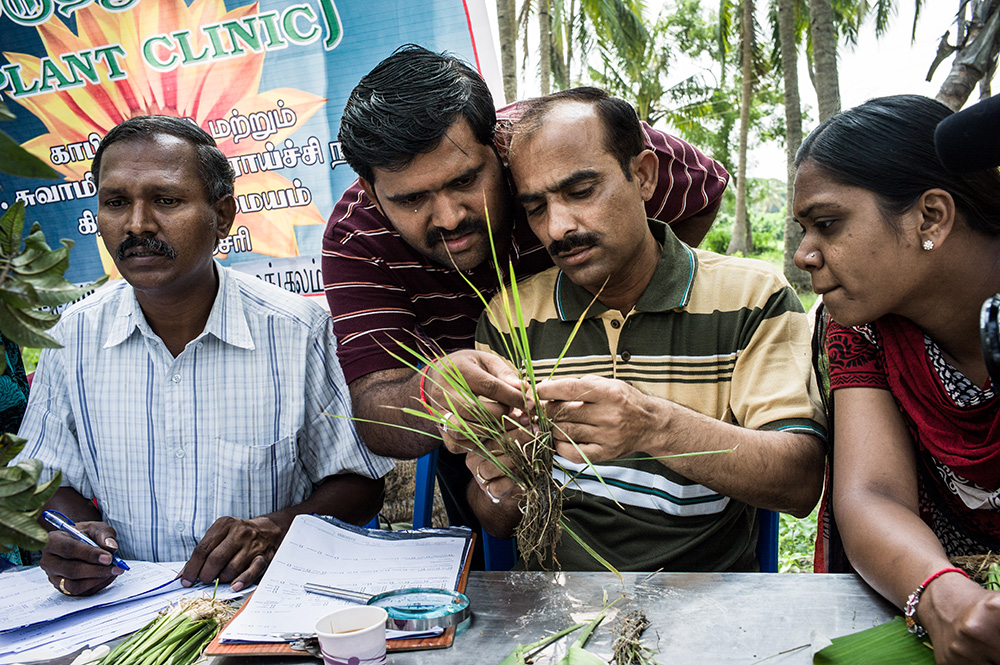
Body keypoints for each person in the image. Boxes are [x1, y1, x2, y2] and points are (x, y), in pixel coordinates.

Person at [323, 45, 730, 540]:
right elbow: (373, 407)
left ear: (498, 144)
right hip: (483, 420)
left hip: (636, 390)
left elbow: (705, 187)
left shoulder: (567, 152)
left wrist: (628, 306)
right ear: (371, 192)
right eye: (412, 199)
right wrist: (434, 393)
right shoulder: (357, 238)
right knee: (498, 520)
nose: (450, 217)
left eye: (466, 180)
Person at [443, 87, 826, 572]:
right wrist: (506, 481)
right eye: (536, 207)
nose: (558, 227)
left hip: (706, 604)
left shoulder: (751, 298)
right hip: (556, 617)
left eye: (581, 191)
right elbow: (493, 518)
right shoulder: (510, 317)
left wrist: (652, 425)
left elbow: (798, 481)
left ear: (643, 176)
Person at [14, 116, 393, 596]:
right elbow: (46, 479)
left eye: (166, 200)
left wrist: (276, 530)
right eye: (115, 203)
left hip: (265, 599)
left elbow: (359, 485)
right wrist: (80, 535)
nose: (136, 224)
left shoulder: (298, 332)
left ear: (222, 216)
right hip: (125, 607)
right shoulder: (72, 338)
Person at [792, 95, 1000, 663]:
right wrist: (942, 596)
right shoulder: (860, 328)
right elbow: (870, 494)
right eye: (804, 229)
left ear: (931, 216)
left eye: (828, 224)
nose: (804, 253)